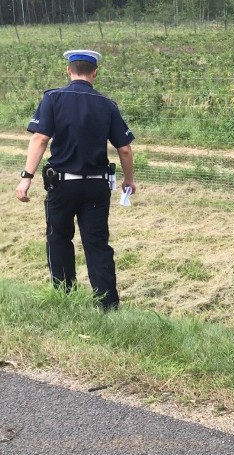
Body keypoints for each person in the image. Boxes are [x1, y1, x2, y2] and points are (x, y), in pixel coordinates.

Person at [15, 49, 136, 311]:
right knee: (97, 243)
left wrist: (26, 178)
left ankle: (64, 296)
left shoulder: (53, 98)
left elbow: (40, 138)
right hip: (96, 186)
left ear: (69, 71)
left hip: (62, 184)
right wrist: (129, 180)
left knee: (59, 238)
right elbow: (124, 148)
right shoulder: (107, 104)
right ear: (94, 73)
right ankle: (107, 306)